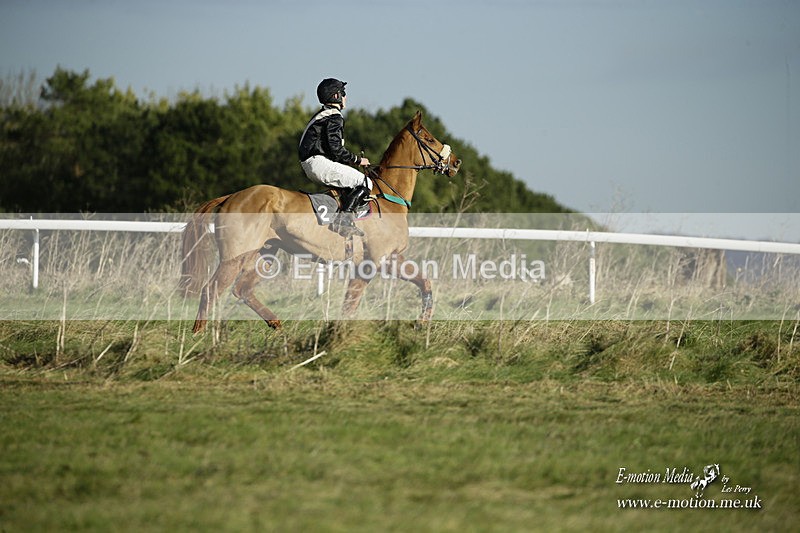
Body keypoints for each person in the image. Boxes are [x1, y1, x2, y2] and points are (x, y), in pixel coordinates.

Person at [299, 78, 371, 237]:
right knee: (366, 182)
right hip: (318, 163)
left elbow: (332, 150)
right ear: (336, 96)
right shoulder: (334, 116)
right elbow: (336, 149)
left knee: (350, 183)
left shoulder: (323, 114)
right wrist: (358, 160)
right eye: (343, 94)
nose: (346, 97)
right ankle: (344, 222)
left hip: (313, 163)